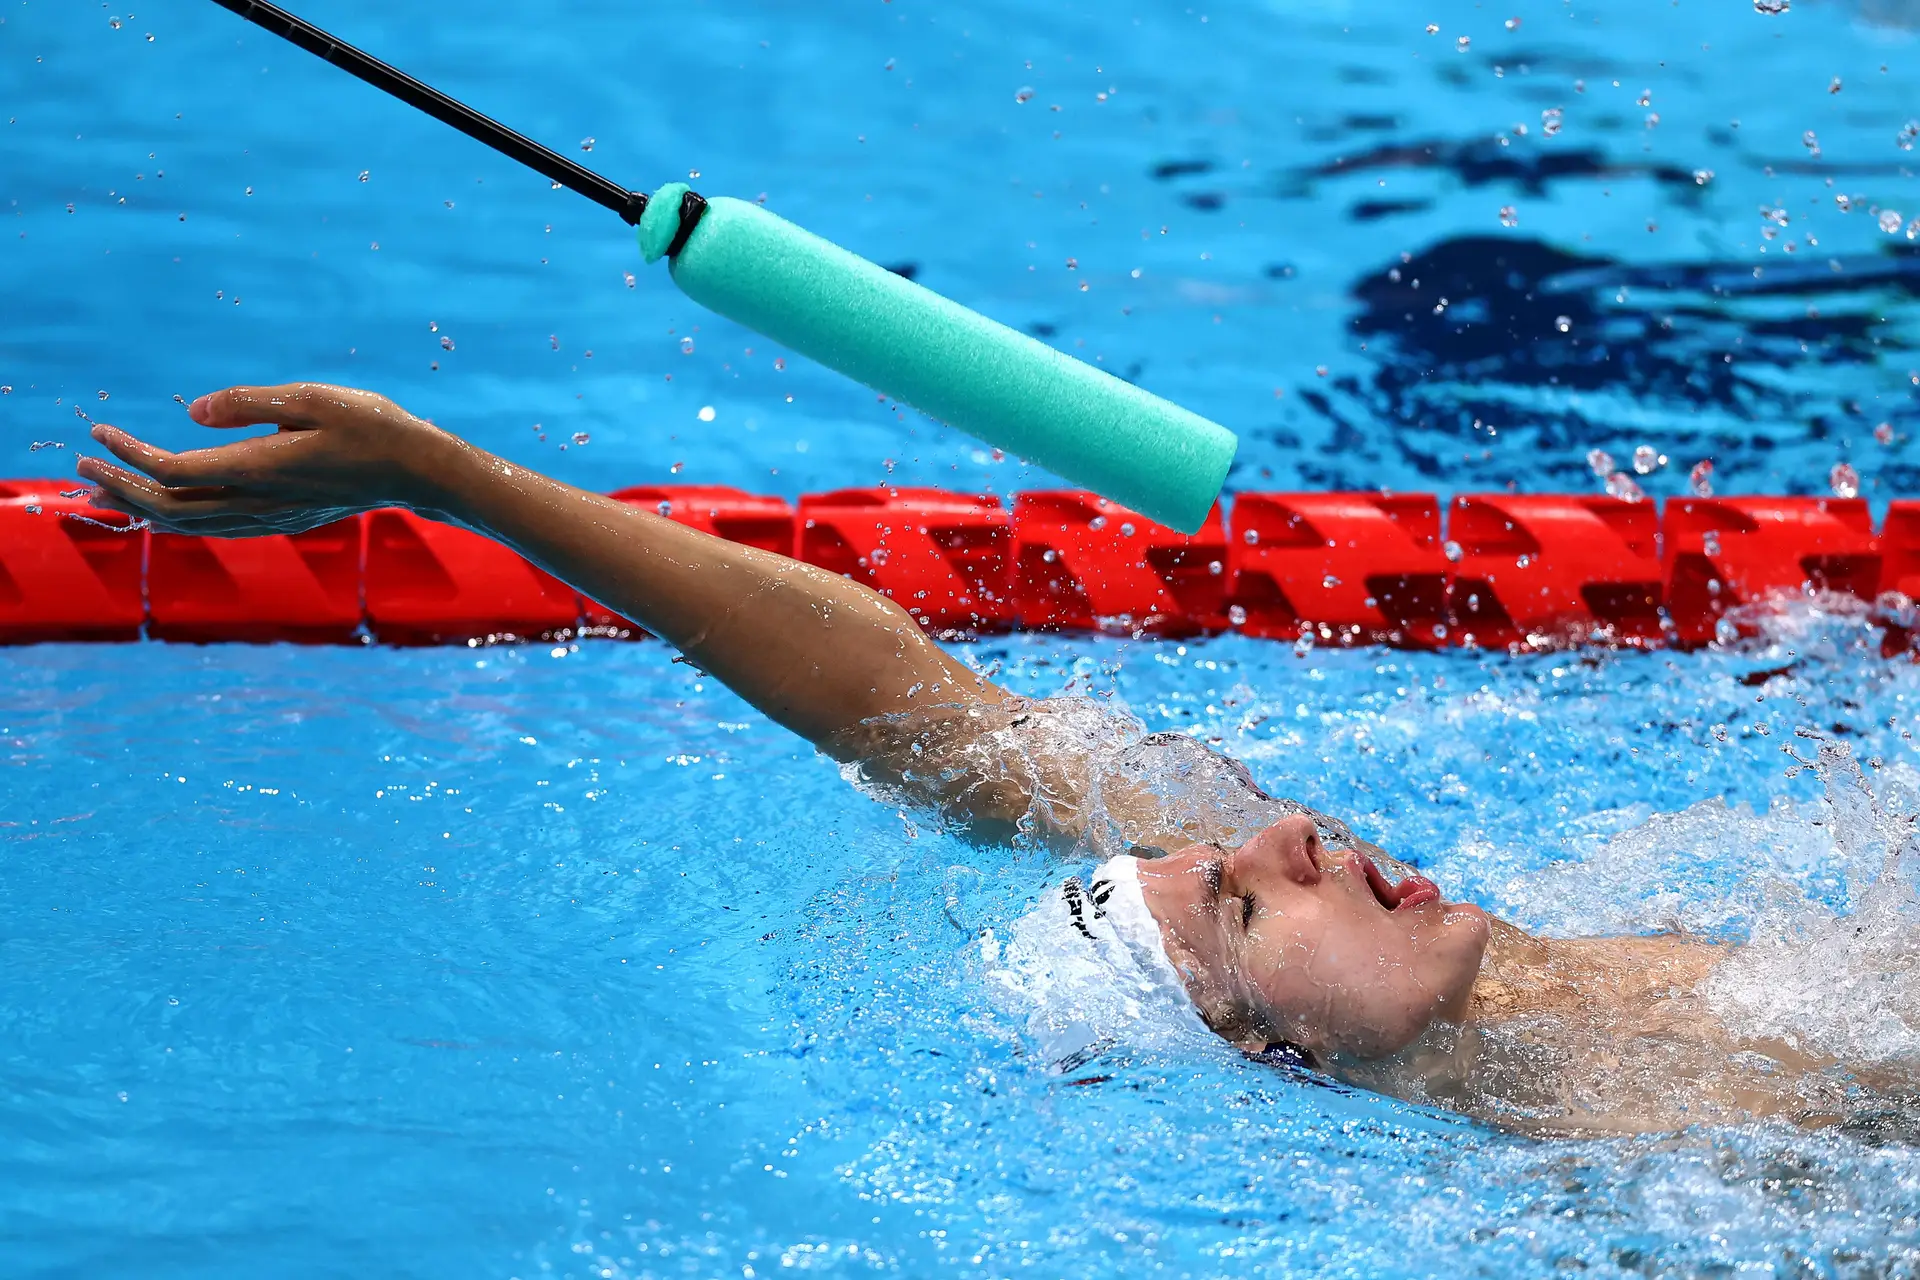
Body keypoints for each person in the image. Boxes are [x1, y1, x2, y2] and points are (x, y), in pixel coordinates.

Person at [77, 383, 1909, 1137]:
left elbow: (922, 715)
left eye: (1241, 855)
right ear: (1263, 1056)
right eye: (1245, 904)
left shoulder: (1526, 973)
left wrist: (453, 478)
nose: (1285, 830)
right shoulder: (1635, 1170)